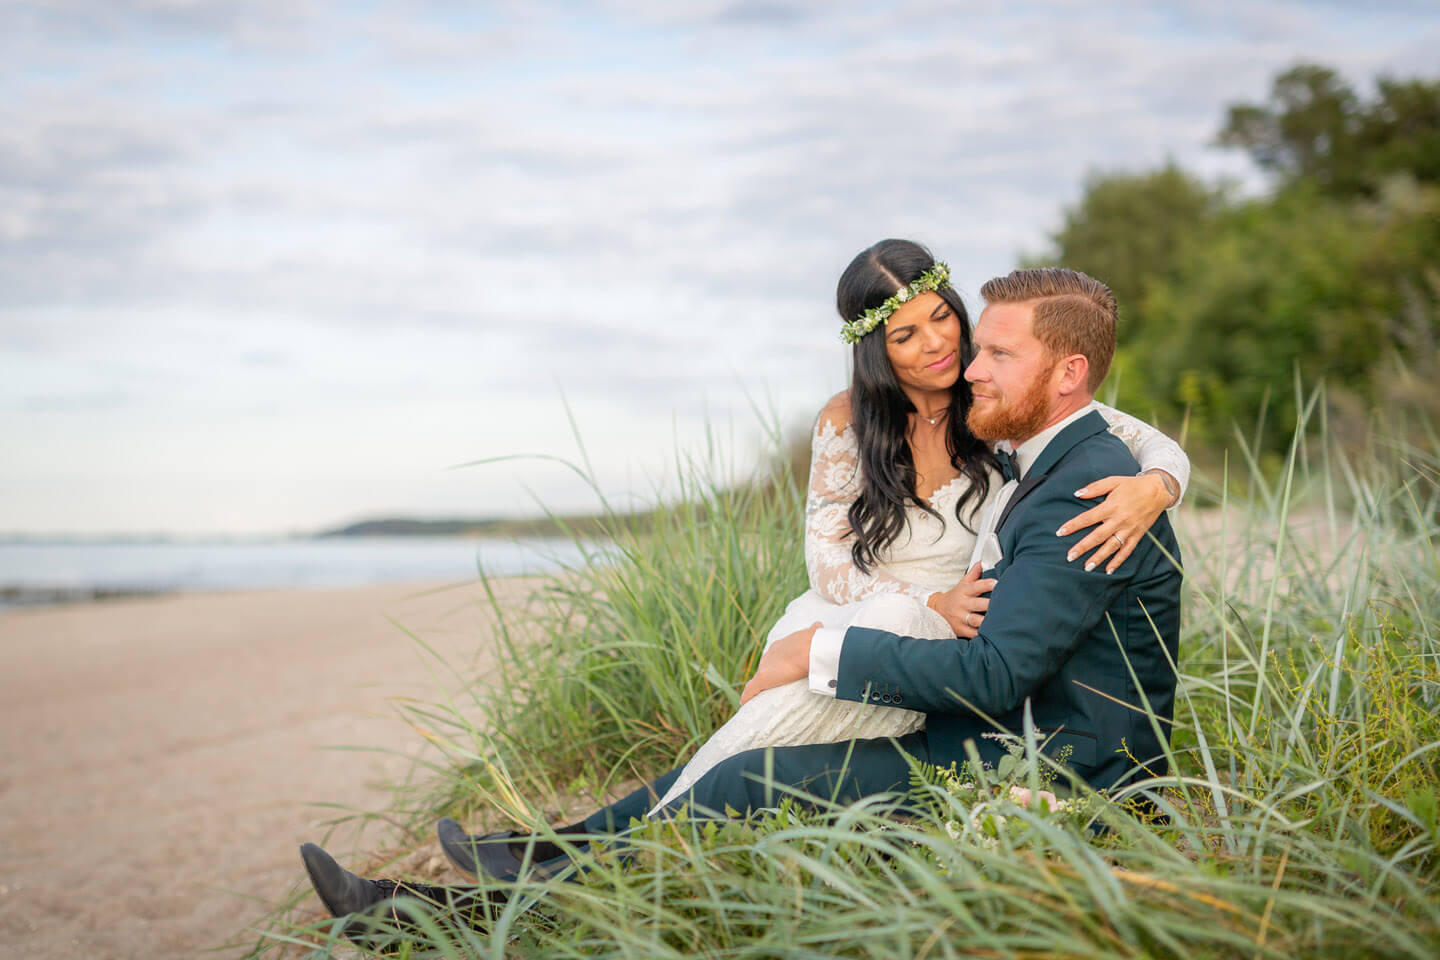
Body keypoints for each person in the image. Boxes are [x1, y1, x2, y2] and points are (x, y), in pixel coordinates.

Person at [299, 261, 1183, 935]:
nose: (969, 366)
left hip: (1064, 773)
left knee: (748, 780)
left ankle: (440, 925)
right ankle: (500, 876)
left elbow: (996, 674)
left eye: (995, 352)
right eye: (973, 344)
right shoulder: (1057, 454)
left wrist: (815, 652)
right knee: (748, 759)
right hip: (996, 725)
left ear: (1066, 374)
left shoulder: (1087, 484)